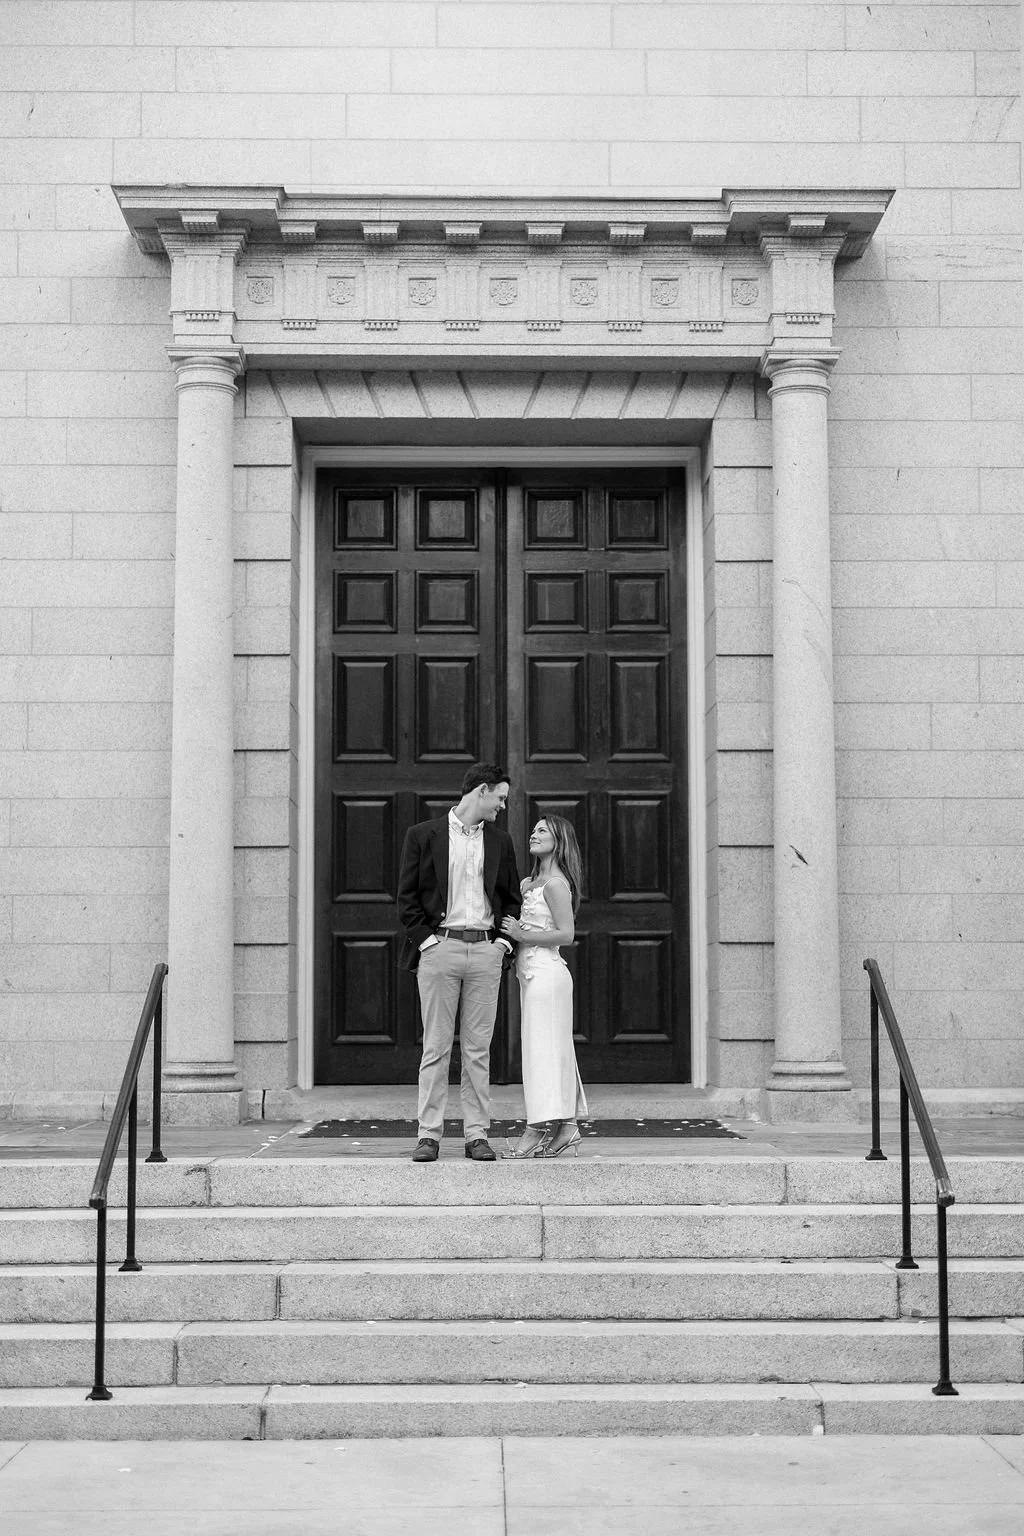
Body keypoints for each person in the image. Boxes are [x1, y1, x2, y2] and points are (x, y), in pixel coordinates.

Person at [397, 763, 522, 1163]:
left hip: (485, 951)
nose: (502, 805)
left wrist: (502, 944)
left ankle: (476, 1135)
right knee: (435, 1046)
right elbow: (408, 898)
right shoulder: (422, 835)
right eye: (500, 797)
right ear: (481, 791)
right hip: (440, 950)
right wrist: (428, 944)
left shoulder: (500, 842)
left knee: (477, 1049)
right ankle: (428, 1135)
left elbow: (510, 899)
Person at [499, 815, 588, 1159]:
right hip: (530, 975)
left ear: (559, 840)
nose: (533, 834)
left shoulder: (555, 884)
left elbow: (566, 934)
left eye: (542, 831)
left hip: (548, 976)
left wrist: (523, 935)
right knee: (545, 1051)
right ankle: (566, 1128)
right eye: (533, 829)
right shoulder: (528, 883)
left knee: (544, 1053)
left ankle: (535, 1129)